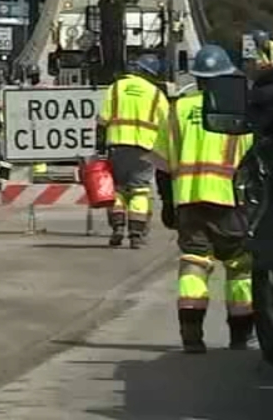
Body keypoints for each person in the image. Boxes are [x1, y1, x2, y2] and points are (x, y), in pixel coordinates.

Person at [156, 44, 254, 354]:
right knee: (239, 268)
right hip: (230, 202)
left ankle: (191, 337)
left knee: (194, 265)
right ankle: (240, 337)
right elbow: (253, 163)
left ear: (197, 78)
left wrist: (168, 204)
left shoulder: (178, 110)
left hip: (189, 202)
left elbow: (162, 166)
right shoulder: (240, 110)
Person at [98, 52, 168, 248]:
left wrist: (100, 146)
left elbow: (102, 120)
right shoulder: (156, 94)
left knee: (118, 189)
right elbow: (166, 124)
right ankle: (136, 235)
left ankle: (118, 228)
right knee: (140, 190)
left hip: (117, 145)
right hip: (145, 148)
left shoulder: (116, 88)